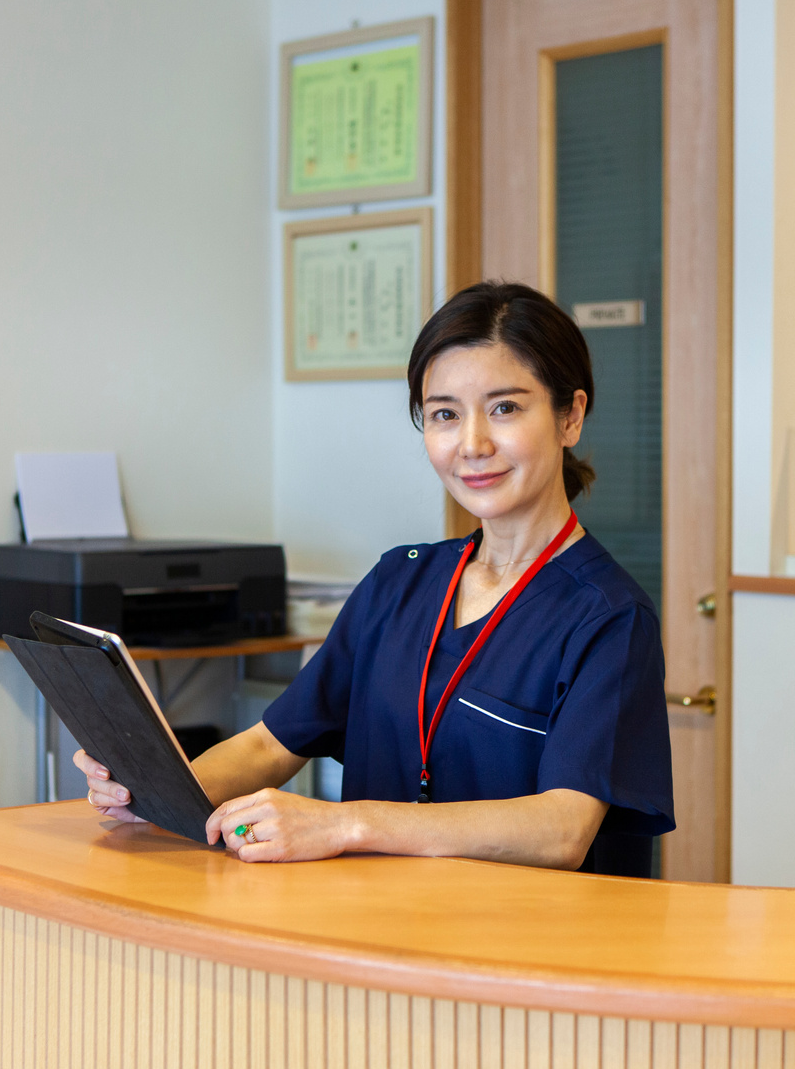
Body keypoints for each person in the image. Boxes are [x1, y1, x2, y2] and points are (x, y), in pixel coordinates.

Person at [76, 282, 673, 875]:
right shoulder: (400, 582)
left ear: (571, 417)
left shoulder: (609, 618)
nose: (473, 444)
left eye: (505, 408)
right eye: (444, 414)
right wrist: (151, 790)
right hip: (373, 935)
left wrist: (345, 822)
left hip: (517, 952)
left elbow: (562, 829)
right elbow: (269, 744)